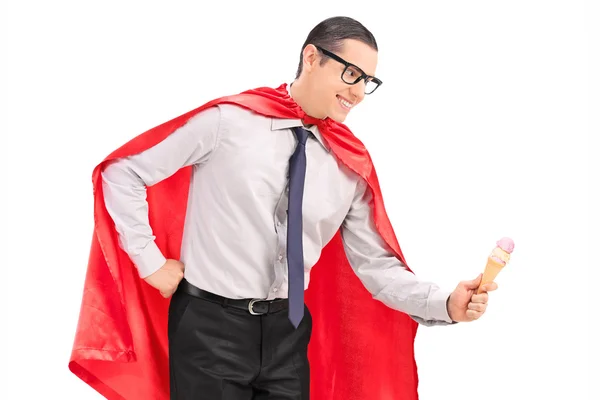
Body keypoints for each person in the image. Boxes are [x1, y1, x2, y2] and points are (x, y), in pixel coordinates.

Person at [69, 16, 498, 400]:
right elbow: (122, 173)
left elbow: (377, 267)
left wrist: (444, 303)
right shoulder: (229, 122)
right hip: (208, 327)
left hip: (288, 333)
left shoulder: (348, 163)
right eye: (351, 73)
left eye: (367, 80)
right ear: (311, 57)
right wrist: (149, 262)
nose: (358, 92)